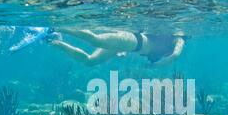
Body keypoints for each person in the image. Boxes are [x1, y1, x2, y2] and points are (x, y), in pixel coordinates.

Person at [49, 29, 185, 66]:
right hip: (133, 41)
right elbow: (175, 55)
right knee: (96, 40)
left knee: (90, 61)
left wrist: (124, 50)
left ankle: (54, 41)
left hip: (130, 45)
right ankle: (57, 27)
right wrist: (156, 66)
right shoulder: (179, 39)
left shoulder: (168, 38)